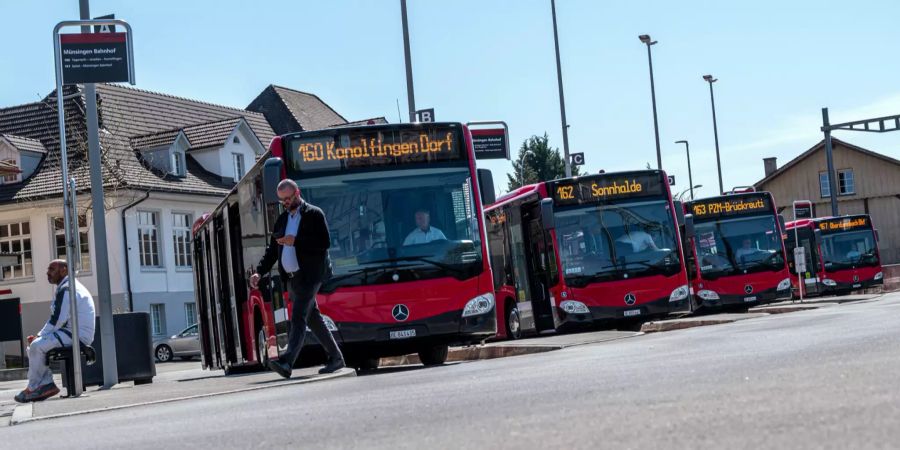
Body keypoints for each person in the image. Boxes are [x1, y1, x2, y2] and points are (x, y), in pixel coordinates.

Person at [249, 179, 344, 378]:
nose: (285, 203)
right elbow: (273, 250)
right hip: (293, 278)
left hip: (312, 275)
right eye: (282, 200)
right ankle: (336, 358)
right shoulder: (282, 220)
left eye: (288, 198)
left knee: (298, 317)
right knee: (313, 319)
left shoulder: (314, 214)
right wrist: (259, 271)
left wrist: (296, 241)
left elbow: (324, 242)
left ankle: (287, 361)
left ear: (297, 193)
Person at [15, 260, 96, 403]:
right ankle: (43, 384)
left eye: (52, 269)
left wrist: (40, 336)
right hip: (72, 333)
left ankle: (38, 387)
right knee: (35, 346)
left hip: (75, 335)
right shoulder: (66, 287)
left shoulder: (67, 289)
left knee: (36, 346)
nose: (47, 272)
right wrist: (41, 336)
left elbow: (57, 319)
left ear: (64, 270)